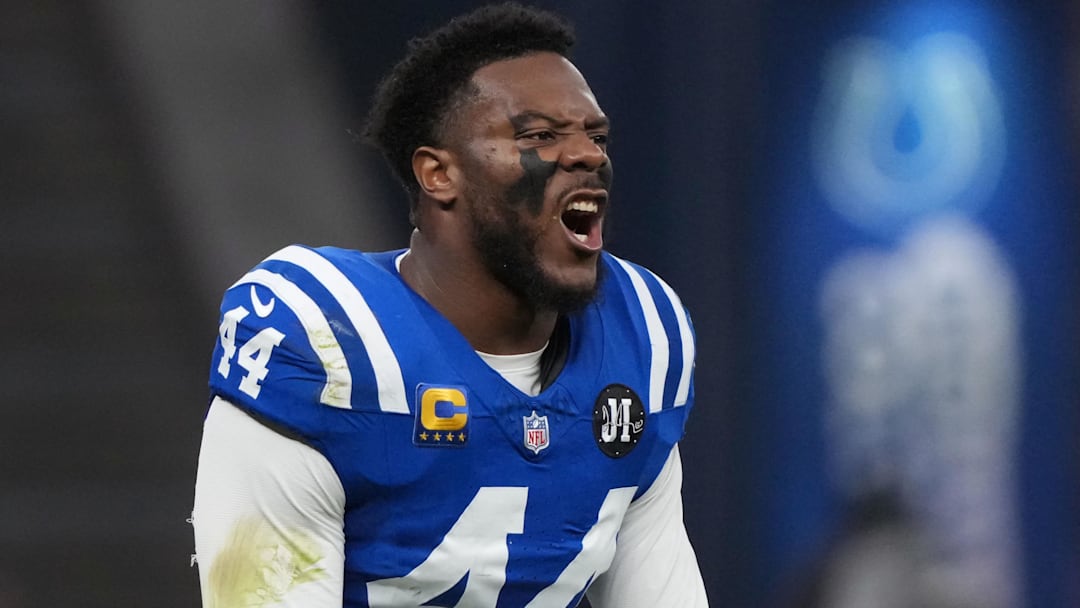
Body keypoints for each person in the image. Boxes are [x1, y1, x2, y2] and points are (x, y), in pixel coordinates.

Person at [191, 3, 708, 606]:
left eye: (595, 135)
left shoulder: (641, 337)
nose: (588, 155)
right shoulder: (329, 347)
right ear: (439, 174)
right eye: (539, 135)